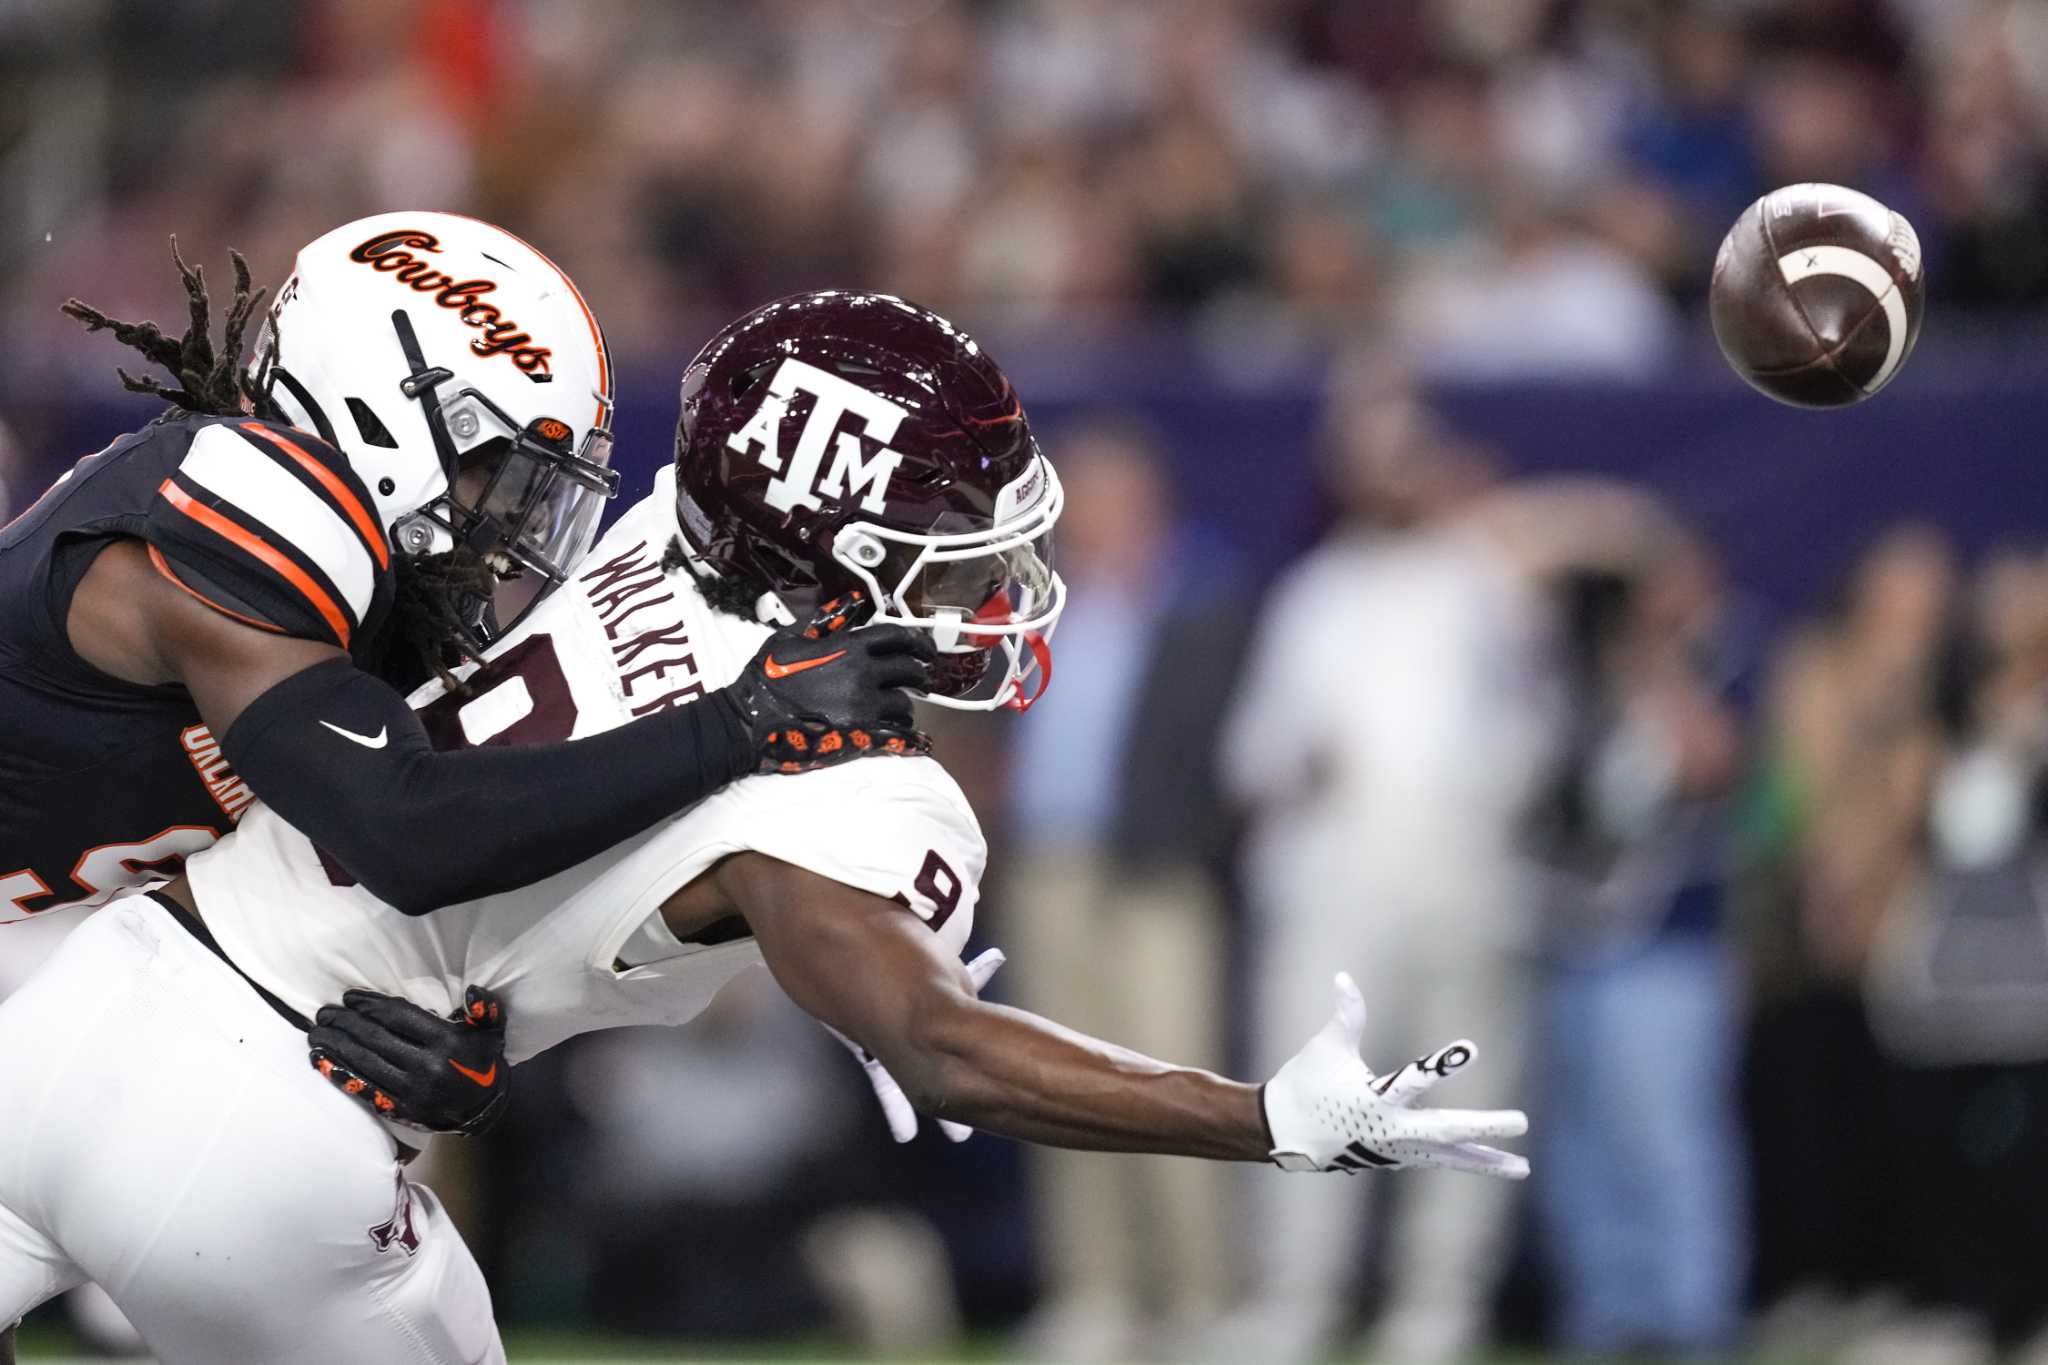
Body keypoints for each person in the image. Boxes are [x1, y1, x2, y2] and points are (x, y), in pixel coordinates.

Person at [0, 291, 1527, 1365]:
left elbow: (461, 803)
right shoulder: (866, 792)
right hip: (271, 1128)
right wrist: (1255, 1117)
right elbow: (946, 1050)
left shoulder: (662, 519)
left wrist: (466, 1014)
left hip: (74, 998)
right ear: (835, 568)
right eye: (951, 559)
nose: (991, 596)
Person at [0, 212, 932, 1136]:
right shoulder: (253, 496)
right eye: (501, 473)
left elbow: (339, 876)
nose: (510, 528)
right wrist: (741, 722)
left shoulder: (357, 615)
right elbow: (408, 830)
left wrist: (443, 1039)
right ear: (391, 407)